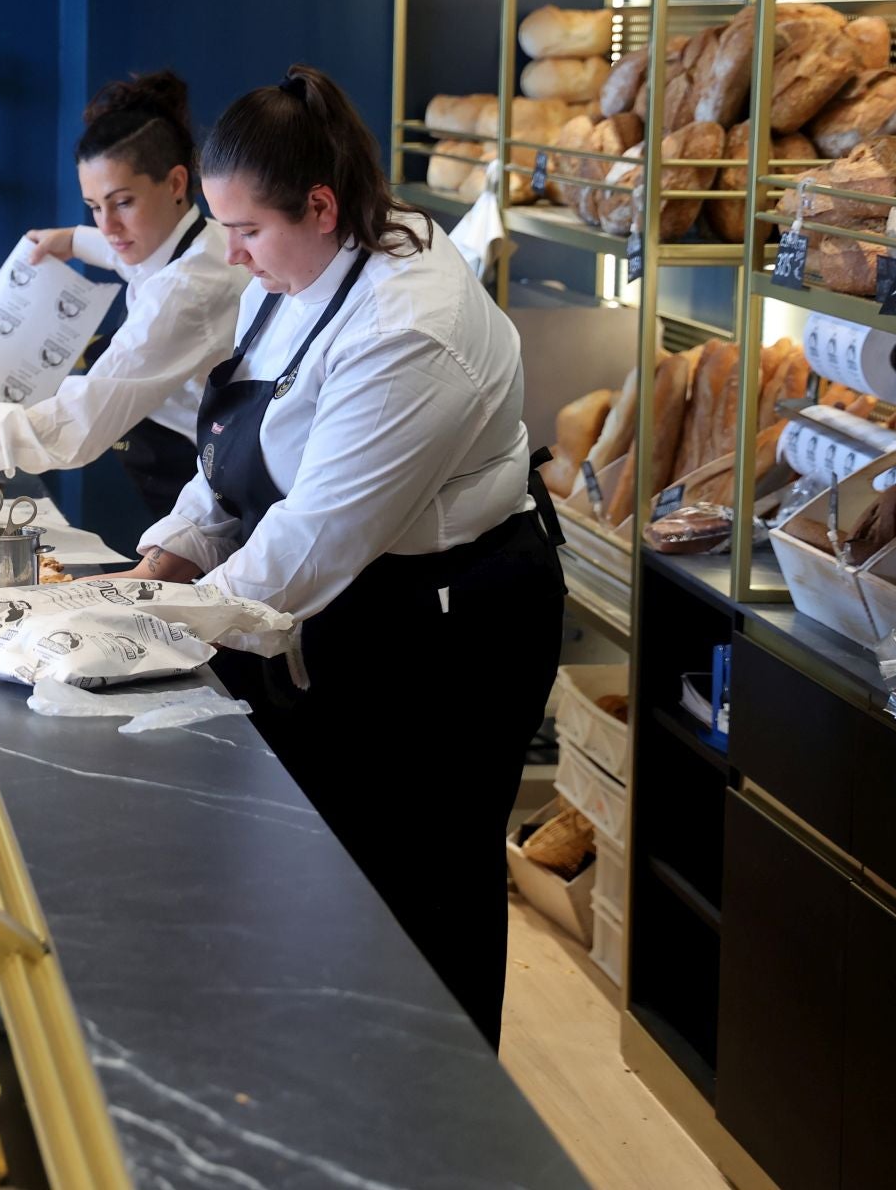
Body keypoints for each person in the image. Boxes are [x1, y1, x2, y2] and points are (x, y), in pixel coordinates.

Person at [102, 66, 565, 1046]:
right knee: (321, 876)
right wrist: (164, 560)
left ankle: (437, 1122)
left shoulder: (413, 325)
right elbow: (234, 467)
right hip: (357, 595)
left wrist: (123, 625)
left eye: (248, 230)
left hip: (451, 627)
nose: (230, 253)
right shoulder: (302, 264)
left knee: (425, 891)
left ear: (321, 203)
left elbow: (302, 555)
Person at [0, 71, 247, 532]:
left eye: (122, 202)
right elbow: (129, 252)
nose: (108, 226)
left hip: (232, 493)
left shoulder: (188, 290)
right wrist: (72, 240)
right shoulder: (195, 239)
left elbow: (85, 414)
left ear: (176, 183)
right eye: (93, 207)